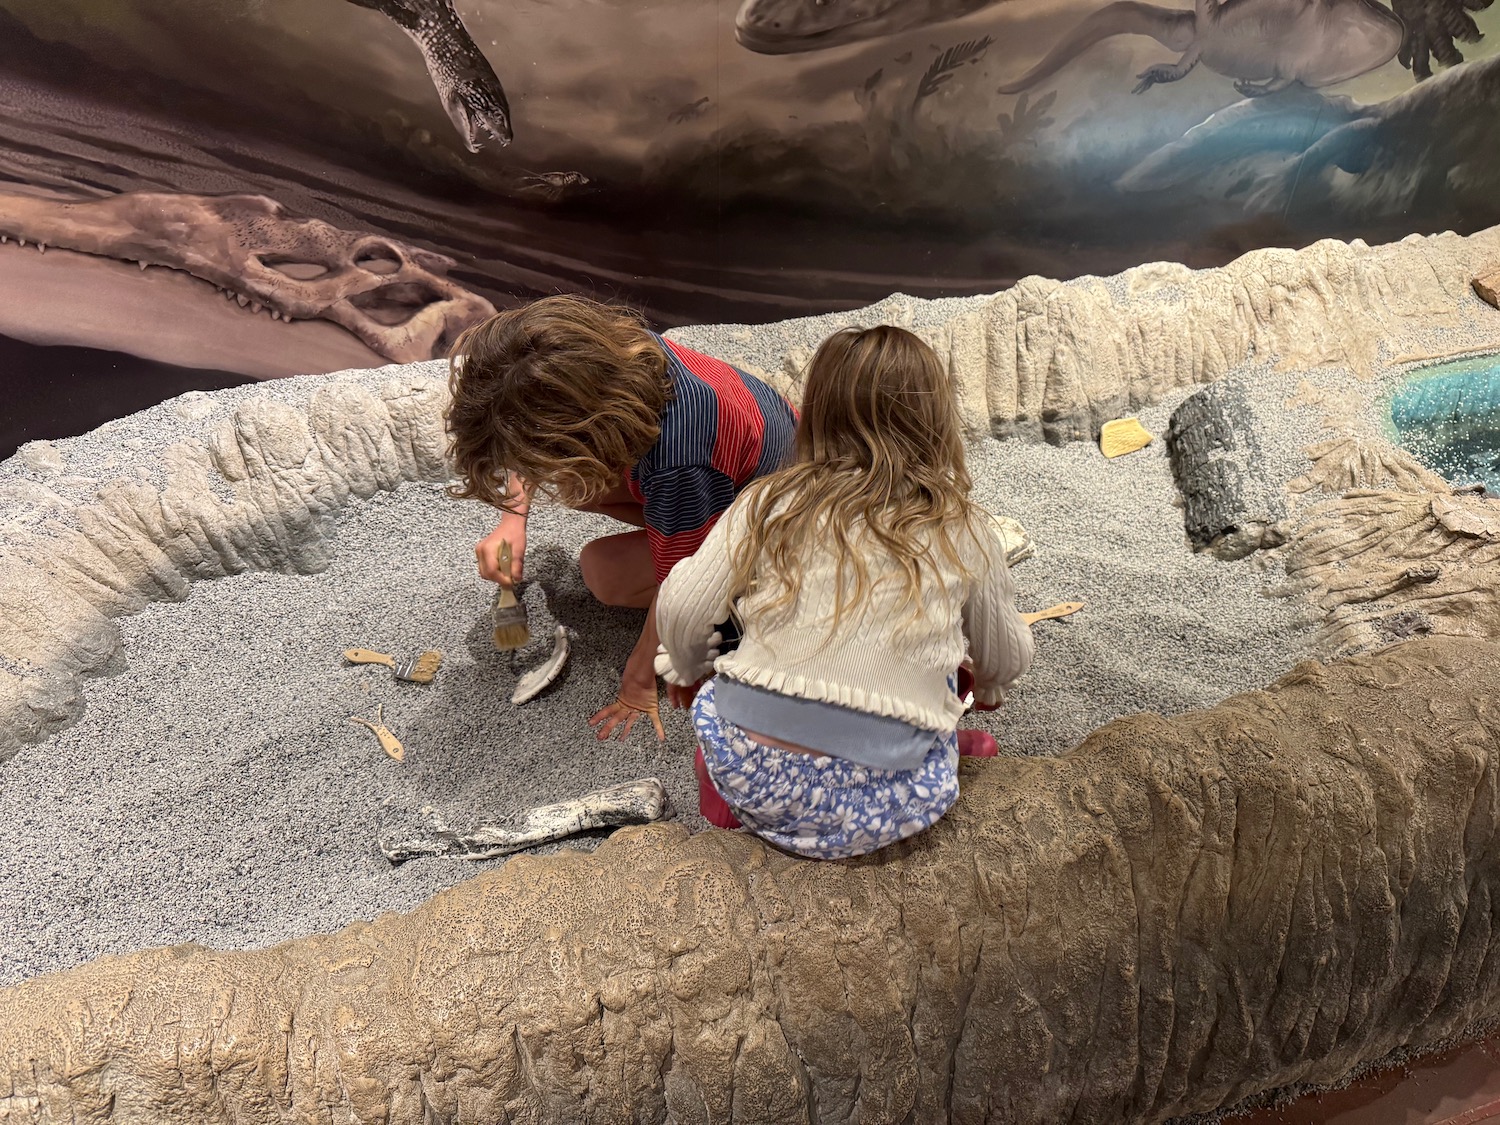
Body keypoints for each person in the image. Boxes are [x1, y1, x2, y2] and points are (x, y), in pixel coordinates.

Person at [654, 325, 1034, 860]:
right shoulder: (963, 526)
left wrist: (689, 666)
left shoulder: (768, 501)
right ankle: (937, 744)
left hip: (750, 778)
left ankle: (719, 791)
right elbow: (1007, 654)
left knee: (739, 663)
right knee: (952, 659)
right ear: (936, 418)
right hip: (890, 804)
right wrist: (990, 687)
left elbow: (682, 605)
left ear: (819, 410)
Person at [444, 295, 797, 740]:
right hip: (743, 454)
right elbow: (526, 412)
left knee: (603, 572)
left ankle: (742, 606)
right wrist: (512, 520)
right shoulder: (610, 353)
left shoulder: (680, 460)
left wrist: (640, 679)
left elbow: (682, 590)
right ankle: (673, 526)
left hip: (774, 514)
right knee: (574, 485)